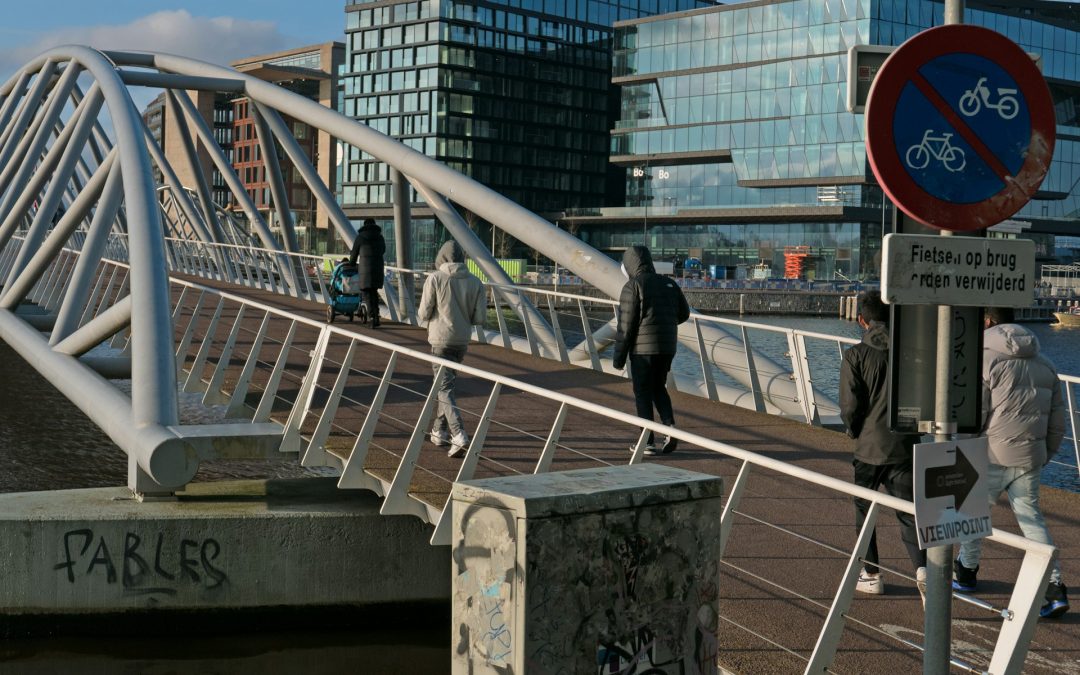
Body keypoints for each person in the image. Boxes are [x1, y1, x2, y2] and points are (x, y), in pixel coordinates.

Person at [953, 307, 1068, 619]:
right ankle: (1054, 587)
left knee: (974, 515)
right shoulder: (1046, 364)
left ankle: (966, 571)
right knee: (1032, 521)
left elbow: (972, 415)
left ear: (988, 322)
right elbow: (1058, 422)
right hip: (1030, 456)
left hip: (989, 453)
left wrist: (963, 449)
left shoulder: (984, 360)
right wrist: (1044, 454)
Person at [839, 291, 927, 600]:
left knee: (864, 510)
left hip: (869, 447)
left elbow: (850, 406)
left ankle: (872, 573)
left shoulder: (855, 355)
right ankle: (923, 570)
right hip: (906, 444)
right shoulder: (913, 350)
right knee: (909, 513)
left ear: (862, 320)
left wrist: (854, 431)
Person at [611, 245, 690, 455]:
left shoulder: (633, 286)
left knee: (642, 392)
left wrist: (618, 358)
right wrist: (664, 324)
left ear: (629, 265)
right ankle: (670, 427)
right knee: (658, 387)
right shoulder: (669, 283)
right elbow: (684, 314)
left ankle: (646, 441)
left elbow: (626, 327)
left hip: (642, 350)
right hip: (667, 347)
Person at [418, 241, 487, 458]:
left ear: (442, 258)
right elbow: (479, 318)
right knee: (445, 386)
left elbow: (424, 312)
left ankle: (459, 434)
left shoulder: (435, 279)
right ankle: (439, 431)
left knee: (444, 388)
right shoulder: (476, 282)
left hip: (440, 339)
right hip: (461, 341)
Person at [348, 218, 386, 327]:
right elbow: (383, 250)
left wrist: (351, 263)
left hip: (365, 269)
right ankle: (376, 316)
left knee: (367, 293)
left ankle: (373, 317)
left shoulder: (360, 237)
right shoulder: (380, 237)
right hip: (378, 268)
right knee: (374, 292)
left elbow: (354, 254)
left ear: (364, 225)